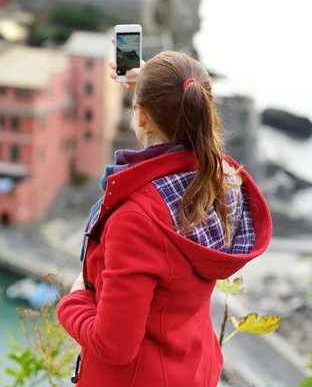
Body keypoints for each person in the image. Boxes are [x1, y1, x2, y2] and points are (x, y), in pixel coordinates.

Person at [56, 45, 272, 387]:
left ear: (141, 118)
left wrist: (71, 301)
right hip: (190, 367)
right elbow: (192, 118)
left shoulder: (137, 220)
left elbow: (114, 346)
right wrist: (158, 89)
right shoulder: (221, 180)